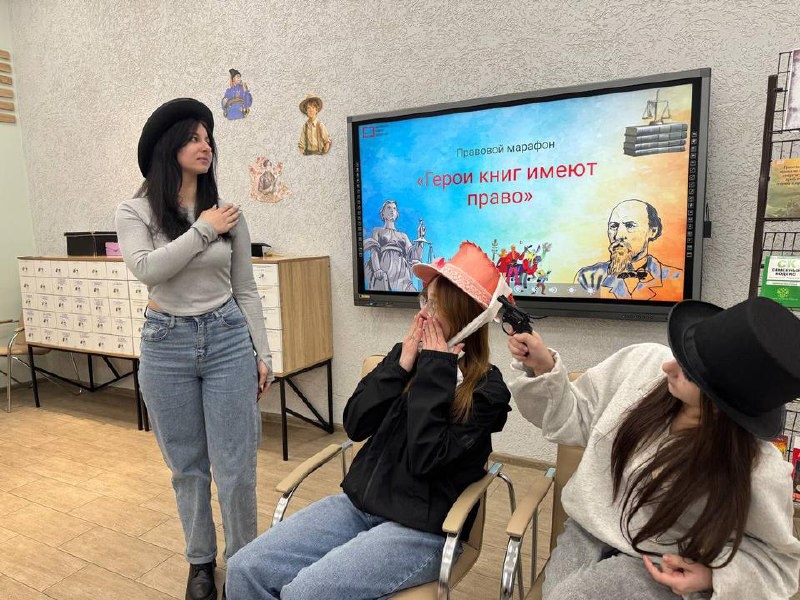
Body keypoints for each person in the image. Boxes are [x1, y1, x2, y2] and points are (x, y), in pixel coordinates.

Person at [226, 241, 514, 599]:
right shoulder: (408, 358)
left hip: (423, 529)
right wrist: (401, 366)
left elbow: (426, 459)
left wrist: (435, 371)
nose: (424, 315)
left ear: (466, 318)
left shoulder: (486, 391)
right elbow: (355, 423)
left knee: (304, 593)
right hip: (360, 505)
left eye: (436, 306)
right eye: (425, 301)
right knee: (243, 568)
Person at [507, 296, 800, 599]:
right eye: (680, 353)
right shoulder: (642, 364)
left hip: (664, 565)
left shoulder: (757, 469)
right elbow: (574, 417)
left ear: (723, 403)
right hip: (584, 537)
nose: (667, 366)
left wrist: (713, 577)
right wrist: (544, 367)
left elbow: (779, 564)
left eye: (688, 372)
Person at [115, 98, 272, 600]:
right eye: (194, 138)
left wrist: (263, 352)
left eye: (208, 138)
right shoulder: (135, 211)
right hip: (166, 345)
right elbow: (148, 268)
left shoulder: (230, 214)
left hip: (227, 338)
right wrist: (204, 228)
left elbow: (245, 288)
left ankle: (243, 564)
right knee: (187, 468)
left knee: (236, 468)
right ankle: (200, 563)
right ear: (169, 147)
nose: (205, 146)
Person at [574, 199, 683, 300]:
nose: (618, 236)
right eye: (613, 226)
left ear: (652, 231)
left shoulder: (676, 278)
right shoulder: (588, 277)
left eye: (630, 226)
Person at [363, 199, 423, 292]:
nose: (392, 210)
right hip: (385, 268)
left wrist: (420, 237)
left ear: (397, 214)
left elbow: (414, 255)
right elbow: (374, 252)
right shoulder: (377, 231)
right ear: (383, 213)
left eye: (394, 208)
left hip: (402, 271)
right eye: (389, 208)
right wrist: (377, 269)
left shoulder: (403, 235)